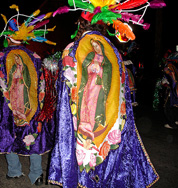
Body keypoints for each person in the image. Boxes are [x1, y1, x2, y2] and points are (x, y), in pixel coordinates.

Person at [48, 1, 162, 186]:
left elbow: (64, 92)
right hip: (112, 117)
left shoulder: (73, 48)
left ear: (80, 23)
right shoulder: (114, 51)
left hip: (88, 108)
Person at [0, 6, 57, 186]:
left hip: (9, 106)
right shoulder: (35, 56)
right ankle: (36, 174)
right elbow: (42, 82)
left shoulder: (1, 56)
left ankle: (14, 170)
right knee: (33, 133)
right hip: (34, 105)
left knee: (10, 134)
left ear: (8, 37)